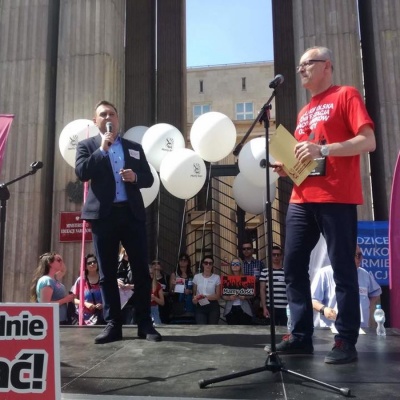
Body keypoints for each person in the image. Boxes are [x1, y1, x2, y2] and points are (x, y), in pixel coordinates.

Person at [266, 46, 376, 364]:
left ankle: (345, 340)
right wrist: (288, 167)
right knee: (292, 265)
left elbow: (368, 141)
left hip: (336, 197)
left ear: (326, 65)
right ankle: (300, 336)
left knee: (342, 267)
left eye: (307, 64)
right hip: (301, 197)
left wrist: (323, 150)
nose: (301, 69)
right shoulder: (304, 111)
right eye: (299, 65)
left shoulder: (346, 95)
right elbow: (306, 157)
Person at [75, 100, 161, 343]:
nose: (108, 117)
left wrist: (135, 177)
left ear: (118, 118)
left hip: (131, 214)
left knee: (141, 271)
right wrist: (102, 149)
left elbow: (148, 178)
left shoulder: (134, 147)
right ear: (96, 121)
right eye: (103, 114)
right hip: (104, 217)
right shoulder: (87, 146)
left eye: (111, 114)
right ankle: (113, 324)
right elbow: (82, 172)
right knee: (107, 272)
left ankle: (145, 323)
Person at [311, 245, 382, 328]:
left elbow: (375, 294)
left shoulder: (364, 274)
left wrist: (367, 307)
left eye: (360, 255)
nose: (360, 259)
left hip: (361, 328)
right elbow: (312, 301)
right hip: (333, 329)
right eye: (357, 255)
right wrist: (324, 310)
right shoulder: (324, 273)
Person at [30, 252, 75, 325]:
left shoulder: (54, 279)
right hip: (52, 321)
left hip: (59, 320)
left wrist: (60, 259)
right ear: (49, 263)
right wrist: (65, 300)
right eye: (58, 260)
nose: (61, 262)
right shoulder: (46, 280)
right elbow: (45, 304)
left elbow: (63, 270)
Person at [72, 253, 104, 325]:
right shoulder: (80, 280)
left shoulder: (103, 279)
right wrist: (85, 303)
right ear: (85, 266)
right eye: (89, 263)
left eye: (94, 262)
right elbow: (74, 299)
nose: (92, 264)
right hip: (84, 319)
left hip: (102, 318)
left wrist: (103, 305)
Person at [260, 246, 288, 326]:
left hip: (285, 307)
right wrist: (264, 308)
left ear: (281, 256)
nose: (276, 257)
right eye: (274, 254)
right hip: (270, 307)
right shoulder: (264, 272)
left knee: (285, 329)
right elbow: (262, 290)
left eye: (278, 255)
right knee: (271, 330)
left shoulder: (287, 272)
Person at [222, 257, 253, 325]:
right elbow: (223, 295)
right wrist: (229, 298)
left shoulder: (246, 278)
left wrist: (245, 297)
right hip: (230, 309)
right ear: (231, 266)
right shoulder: (226, 279)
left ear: (240, 266)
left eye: (237, 264)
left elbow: (251, 294)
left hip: (244, 308)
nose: (235, 266)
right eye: (233, 264)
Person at [192, 255, 221, 324]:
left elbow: (218, 296)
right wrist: (194, 300)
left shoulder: (216, 277)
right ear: (203, 264)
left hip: (213, 306)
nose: (208, 265)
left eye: (210, 263)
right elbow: (194, 293)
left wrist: (204, 296)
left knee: (212, 328)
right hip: (200, 305)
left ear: (212, 265)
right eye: (206, 263)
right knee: (201, 327)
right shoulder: (196, 277)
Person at [241, 241, 264, 322]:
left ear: (252, 250)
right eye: (244, 249)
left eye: (248, 248)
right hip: (243, 295)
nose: (246, 250)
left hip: (256, 295)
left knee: (256, 319)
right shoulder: (240, 264)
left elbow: (264, 279)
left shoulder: (259, 263)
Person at [169, 253, 195, 320]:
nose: (183, 261)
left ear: (188, 262)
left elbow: (195, 290)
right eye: (181, 260)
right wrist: (173, 285)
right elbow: (171, 292)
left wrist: (190, 291)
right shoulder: (174, 274)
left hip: (189, 304)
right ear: (178, 262)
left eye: (185, 260)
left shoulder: (192, 274)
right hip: (178, 303)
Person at [117, 247, 135, 324]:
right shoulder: (118, 263)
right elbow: (109, 277)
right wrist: (116, 281)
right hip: (118, 299)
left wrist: (131, 286)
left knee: (129, 324)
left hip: (132, 300)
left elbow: (143, 283)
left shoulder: (137, 264)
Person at [151, 259, 171, 323]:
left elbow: (170, 291)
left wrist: (161, 293)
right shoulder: (148, 280)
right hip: (152, 305)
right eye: (154, 263)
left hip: (163, 306)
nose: (156, 265)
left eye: (158, 263)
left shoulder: (166, 278)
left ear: (161, 266)